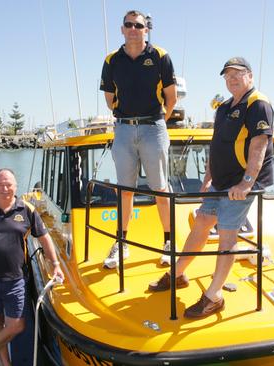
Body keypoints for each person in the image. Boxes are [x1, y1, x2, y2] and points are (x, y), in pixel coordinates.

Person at [147, 57, 274, 319]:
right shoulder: (225, 107)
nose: (232, 79)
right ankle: (178, 274)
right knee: (203, 221)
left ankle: (214, 295)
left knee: (227, 235)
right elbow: (216, 145)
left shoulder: (258, 104)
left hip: (242, 184)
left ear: (249, 76)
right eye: (227, 76)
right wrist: (208, 178)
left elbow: (259, 144)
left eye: (237, 74)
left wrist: (247, 183)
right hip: (221, 182)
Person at [100, 9, 178, 269]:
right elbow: (110, 99)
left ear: (147, 29)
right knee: (125, 190)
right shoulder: (112, 60)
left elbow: (171, 97)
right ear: (122, 29)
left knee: (160, 188)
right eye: (128, 25)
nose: (133, 29)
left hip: (153, 128)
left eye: (138, 25)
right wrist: (127, 120)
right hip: (122, 129)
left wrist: (156, 123)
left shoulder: (160, 56)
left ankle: (169, 242)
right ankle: (121, 243)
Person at [0, 169, 65, 366]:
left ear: (15, 187)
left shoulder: (26, 209)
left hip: (16, 278)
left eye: (9, 184)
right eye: (0, 184)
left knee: (17, 325)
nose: (4, 188)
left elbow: (44, 239)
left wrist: (56, 265)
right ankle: (6, 363)